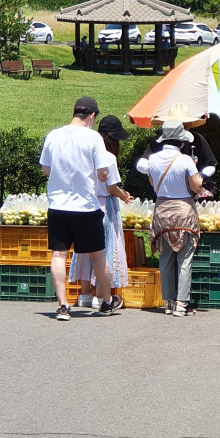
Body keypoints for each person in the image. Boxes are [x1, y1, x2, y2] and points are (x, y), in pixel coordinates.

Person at [39, 96, 119, 320]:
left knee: (58, 255)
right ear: (92, 116)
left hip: (58, 205)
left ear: (74, 112)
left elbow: (46, 169)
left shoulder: (53, 135)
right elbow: (103, 173)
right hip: (85, 206)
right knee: (98, 256)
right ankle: (106, 301)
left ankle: (63, 306)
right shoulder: (94, 138)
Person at [140, 119, 203, 316]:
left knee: (165, 257)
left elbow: (152, 183)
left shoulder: (153, 160)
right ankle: (181, 303)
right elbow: (196, 186)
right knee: (185, 259)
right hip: (184, 211)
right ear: (181, 142)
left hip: (162, 210)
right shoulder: (186, 161)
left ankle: (168, 301)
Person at [70, 115, 133, 306]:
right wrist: (123, 195)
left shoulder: (86, 152)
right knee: (103, 251)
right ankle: (100, 295)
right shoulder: (109, 157)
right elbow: (112, 186)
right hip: (105, 206)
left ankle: (85, 295)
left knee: (85, 250)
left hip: (85, 203)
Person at [142, 102, 217, 198]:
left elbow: (211, 164)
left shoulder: (198, 139)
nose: (182, 131)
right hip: (166, 194)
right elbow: (142, 164)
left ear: (189, 124)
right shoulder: (157, 143)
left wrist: (199, 176)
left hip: (192, 194)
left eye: (184, 126)